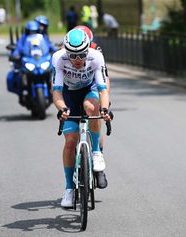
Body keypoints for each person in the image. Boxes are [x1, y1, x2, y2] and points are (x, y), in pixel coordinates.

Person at [52, 29, 112, 208]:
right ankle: (69, 189)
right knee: (70, 141)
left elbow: (103, 89)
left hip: (89, 90)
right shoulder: (58, 58)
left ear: (88, 50)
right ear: (66, 51)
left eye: (82, 55)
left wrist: (105, 109)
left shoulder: (96, 56)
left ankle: (95, 151)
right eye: (73, 55)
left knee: (91, 108)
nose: (78, 60)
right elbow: (56, 92)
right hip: (68, 95)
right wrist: (62, 108)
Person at [74, 25, 111, 189]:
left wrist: (105, 102)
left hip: (93, 87)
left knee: (95, 116)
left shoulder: (96, 50)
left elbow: (105, 78)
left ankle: (99, 161)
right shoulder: (67, 50)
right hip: (73, 88)